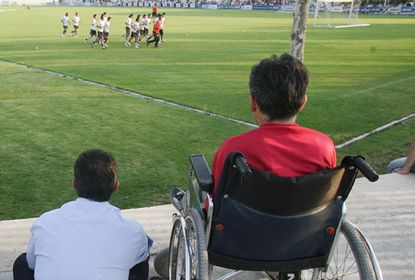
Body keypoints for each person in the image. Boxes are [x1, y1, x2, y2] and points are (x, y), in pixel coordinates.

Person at [13, 149, 152, 280]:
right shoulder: (132, 230)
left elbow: (32, 263)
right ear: (116, 186)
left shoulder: (45, 222)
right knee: (141, 258)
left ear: (74, 184)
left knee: (21, 263)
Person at [211, 54, 337, 194]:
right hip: (307, 215)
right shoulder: (324, 147)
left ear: (253, 103)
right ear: (302, 103)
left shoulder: (232, 150)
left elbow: (217, 199)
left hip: (245, 216)